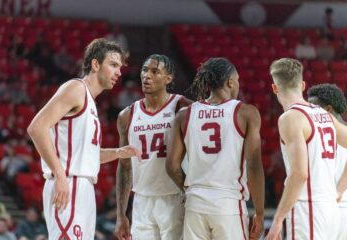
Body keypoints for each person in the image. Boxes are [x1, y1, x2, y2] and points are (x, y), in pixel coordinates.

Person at [27, 38, 140, 240]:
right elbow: (37, 128)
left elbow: (85, 155)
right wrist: (59, 174)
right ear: (95, 64)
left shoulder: (90, 102)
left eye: (120, 67)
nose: (119, 72)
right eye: (113, 65)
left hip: (84, 188)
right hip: (69, 183)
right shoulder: (76, 89)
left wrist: (118, 152)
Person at [166, 57, 265, 240]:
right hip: (228, 205)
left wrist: (190, 189)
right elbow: (254, 166)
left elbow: (171, 166)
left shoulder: (184, 114)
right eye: (238, 80)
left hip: (195, 204)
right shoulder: (246, 113)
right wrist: (259, 212)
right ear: (230, 82)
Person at [265, 58, 347, 240]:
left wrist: (278, 219)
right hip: (331, 209)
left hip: (307, 208)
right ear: (302, 85)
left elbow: (299, 174)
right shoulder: (324, 114)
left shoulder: (290, 118)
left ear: (275, 88)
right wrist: (340, 188)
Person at [115, 54, 192, 240]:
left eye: (155, 71)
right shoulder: (127, 115)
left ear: (168, 78)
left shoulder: (182, 107)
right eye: (144, 70)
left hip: (175, 197)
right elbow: (125, 166)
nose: (146, 75)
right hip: (142, 199)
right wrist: (121, 214)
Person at [307, 83, 347, 240]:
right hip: (324, 206)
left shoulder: (312, 136)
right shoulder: (312, 134)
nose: (309, 112)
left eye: (313, 108)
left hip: (334, 207)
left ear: (329, 110)